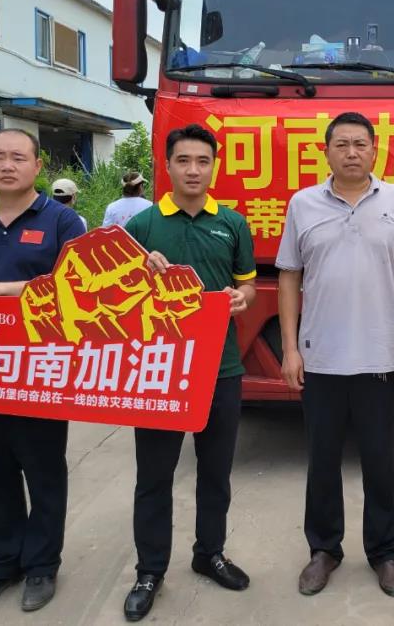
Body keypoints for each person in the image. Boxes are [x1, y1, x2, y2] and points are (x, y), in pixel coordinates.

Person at [276, 111, 394, 598]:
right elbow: (289, 276)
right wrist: (289, 348)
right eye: (341, 144)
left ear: (375, 150)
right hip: (319, 356)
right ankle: (324, 549)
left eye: (360, 144)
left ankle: (384, 553)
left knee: (380, 461)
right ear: (326, 152)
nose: (351, 153)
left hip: (380, 355)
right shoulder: (302, 204)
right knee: (322, 461)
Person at [120, 124, 257, 622]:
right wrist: (139, 273)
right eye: (183, 161)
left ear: (214, 166)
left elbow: (248, 287)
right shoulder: (143, 226)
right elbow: (114, 296)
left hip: (221, 368)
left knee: (215, 473)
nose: (193, 170)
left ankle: (209, 553)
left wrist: (243, 298)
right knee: (154, 477)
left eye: (203, 161)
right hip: (158, 371)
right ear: (167, 166)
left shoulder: (233, 223)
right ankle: (150, 570)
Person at [0, 130, 84, 614]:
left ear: (37, 166)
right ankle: (0, 563)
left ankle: (41, 565)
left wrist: (4, 290)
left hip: (39, 372)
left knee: (43, 472)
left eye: (18, 157)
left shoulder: (62, 221)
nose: (8, 165)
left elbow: (78, 290)